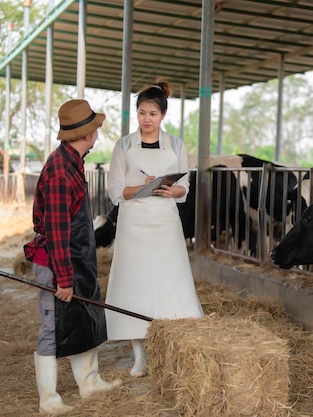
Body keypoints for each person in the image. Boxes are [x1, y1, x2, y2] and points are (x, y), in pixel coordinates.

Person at [24, 99, 121, 414]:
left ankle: (89, 383)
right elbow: (56, 230)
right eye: (96, 126)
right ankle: (48, 400)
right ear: (88, 132)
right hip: (58, 263)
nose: (99, 131)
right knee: (54, 327)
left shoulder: (74, 160)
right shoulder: (60, 169)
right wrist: (63, 279)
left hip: (79, 259)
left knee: (84, 318)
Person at [105, 79, 204, 377]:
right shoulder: (123, 145)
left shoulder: (176, 144)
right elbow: (114, 190)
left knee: (169, 282)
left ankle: (172, 349)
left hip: (165, 221)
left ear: (163, 116)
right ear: (135, 113)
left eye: (152, 114)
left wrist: (176, 191)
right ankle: (140, 356)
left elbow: (185, 183)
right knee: (135, 286)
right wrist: (142, 186)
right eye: (141, 113)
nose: (146, 119)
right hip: (134, 222)